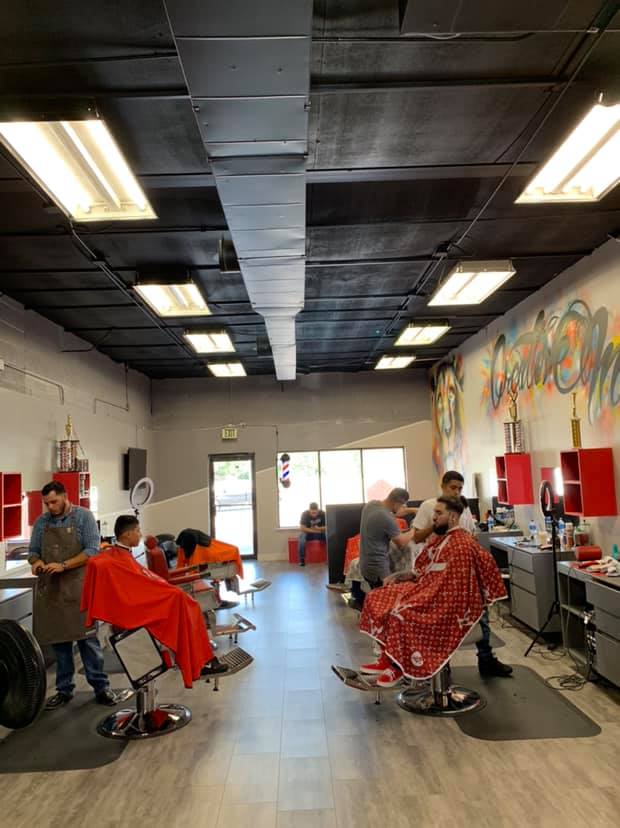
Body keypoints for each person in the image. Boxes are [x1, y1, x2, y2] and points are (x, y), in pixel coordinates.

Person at [359, 497, 507, 687]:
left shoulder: (462, 545)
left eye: (438, 513)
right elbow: (426, 569)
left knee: (400, 613)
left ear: (452, 517)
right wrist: (403, 576)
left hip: (447, 604)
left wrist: (419, 596)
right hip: (429, 590)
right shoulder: (442, 540)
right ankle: (388, 657)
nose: (434, 517)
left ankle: (399, 666)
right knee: (376, 597)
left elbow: (453, 588)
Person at [97, 514, 227, 679]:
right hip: (137, 613)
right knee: (189, 608)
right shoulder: (118, 559)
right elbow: (135, 591)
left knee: (189, 608)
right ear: (127, 534)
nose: (140, 534)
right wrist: (170, 594)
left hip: (141, 605)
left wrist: (168, 592)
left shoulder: (120, 555)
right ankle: (201, 662)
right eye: (137, 530)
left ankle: (203, 660)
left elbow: (143, 584)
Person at [411, 471, 512, 678]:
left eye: (459, 488)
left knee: (480, 611)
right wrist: (437, 523)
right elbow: (417, 537)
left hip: (463, 571)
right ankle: (439, 663)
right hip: (438, 572)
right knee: (439, 617)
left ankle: (486, 659)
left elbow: (471, 535)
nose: (456, 492)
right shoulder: (429, 506)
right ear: (443, 486)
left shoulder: (463, 509)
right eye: (453, 488)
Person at [28, 481, 117, 710]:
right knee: (60, 644)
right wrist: (36, 562)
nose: (50, 507)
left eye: (54, 502)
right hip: (53, 591)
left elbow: (92, 550)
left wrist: (64, 565)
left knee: (88, 642)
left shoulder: (83, 517)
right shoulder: (41, 523)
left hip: (79, 589)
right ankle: (64, 690)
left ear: (65, 496)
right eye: (47, 503)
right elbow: (33, 551)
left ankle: (101, 687)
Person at [359, 488, 416, 589]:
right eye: (402, 505)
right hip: (378, 569)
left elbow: (391, 518)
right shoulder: (385, 517)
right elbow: (402, 542)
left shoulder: (371, 505)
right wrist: (414, 528)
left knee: (374, 595)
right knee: (383, 596)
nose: (403, 508)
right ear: (397, 503)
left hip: (365, 565)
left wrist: (412, 510)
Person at [298, 502, 326, 567]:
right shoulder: (305, 514)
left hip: (320, 533)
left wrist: (319, 528)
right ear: (309, 510)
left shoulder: (322, 514)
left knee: (329, 536)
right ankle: (302, 560)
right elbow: (302, 528)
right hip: (309, 534)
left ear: (318, 510)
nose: (314, 515)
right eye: (312, 513)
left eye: (315, 513)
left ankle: (330, 558)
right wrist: (316, 531)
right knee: (302, 537)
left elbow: (328, 526)